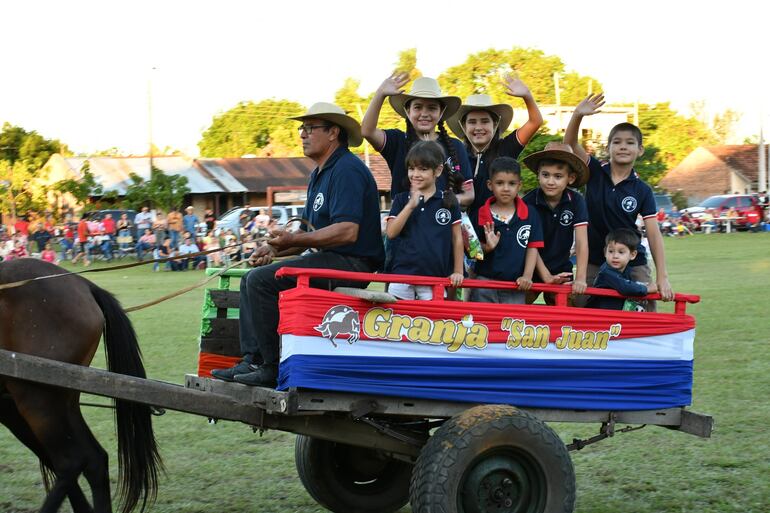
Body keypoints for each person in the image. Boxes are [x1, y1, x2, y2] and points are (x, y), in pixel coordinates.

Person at [211, 102, 384, 388]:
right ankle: (252, 359)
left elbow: (346, 232)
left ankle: (270, 366)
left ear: (333, 133)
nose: (302, 134)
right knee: (250, 280)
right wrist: (275, 248)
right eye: (301, 128)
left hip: (351, 262)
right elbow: (308, 230)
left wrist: (294, 240)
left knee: (261, 282)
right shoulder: (319, 173)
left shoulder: (347, 170)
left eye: (309, 128)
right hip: (330, 258)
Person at [564, 93, 673, 309]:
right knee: (583, 311)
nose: (623, 146)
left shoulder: (642, 189)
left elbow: (652, 233)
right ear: (608, 148)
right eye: (617, 142)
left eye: (630, 143)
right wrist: (577, 115)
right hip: (595, 259)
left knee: (642, 313)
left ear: (639, 150)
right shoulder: (594, 171)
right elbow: (568, 145)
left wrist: (662, 276)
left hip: (632, 261)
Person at [362, 74, 474, 206]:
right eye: (418, 107)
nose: (424, 113)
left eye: (432, 108)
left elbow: (469, 194)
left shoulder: (455, 146)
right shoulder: (397, 141)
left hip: (444, 222)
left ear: (441, 112)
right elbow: (367, 131)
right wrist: (380, 94)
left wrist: (445, 201)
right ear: (408, 111)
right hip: (405, 222)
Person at [447, 77, 543, 222]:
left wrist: (527, 95)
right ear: (464, 126)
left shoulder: (506, 147)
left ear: (495, 124)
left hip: (499, 227)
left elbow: (535, 122)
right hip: (465, 229)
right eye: (472, 122)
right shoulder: (457, 153)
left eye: (485, 121)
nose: (478, 127)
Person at [385, 141, 464, 300]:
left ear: (438, 170)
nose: (415, 174)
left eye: (423, 169)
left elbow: (457, 238)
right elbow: (391, 233)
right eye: (411, 168)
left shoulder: (448, 201)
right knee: (398, 322)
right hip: (401, 277)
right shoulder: (401, 200)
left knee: (431, 322)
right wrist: (410, 206)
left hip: (434, 279)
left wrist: (458, 271)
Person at [521, 142, 589, 305]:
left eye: (558, 176)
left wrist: (580, 278)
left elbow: (581, 242)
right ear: (538, 174)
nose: (550, 181)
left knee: (567, 320)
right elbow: (529, 243)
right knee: (516, 313)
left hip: (562, 270)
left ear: (570, 178)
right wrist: (545, 276)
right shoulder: (528, 202)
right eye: (545, 175)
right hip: (531, 269)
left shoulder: (576, 201)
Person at [469, 157, 543, 304]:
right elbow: (472, 252)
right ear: (490, 185)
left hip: (515, 285)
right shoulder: (479, 214)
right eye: (499, 183)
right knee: (482, 325)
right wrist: (487, 247)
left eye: (512, 183)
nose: (506, 188)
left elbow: (532, 247)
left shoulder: (530, 214)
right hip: (484, 284)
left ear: (519, 185)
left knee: (512, 326)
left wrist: (527, 276)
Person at [586, 228, 657, 311]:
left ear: (633, 255)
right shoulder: (606, 273)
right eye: (611, 251)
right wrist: (646, 289)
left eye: (621, 252)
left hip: (614, 317)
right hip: (600, 317)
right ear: (605, 252)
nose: (615, 256)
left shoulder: (627, 271)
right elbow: (625, 287)